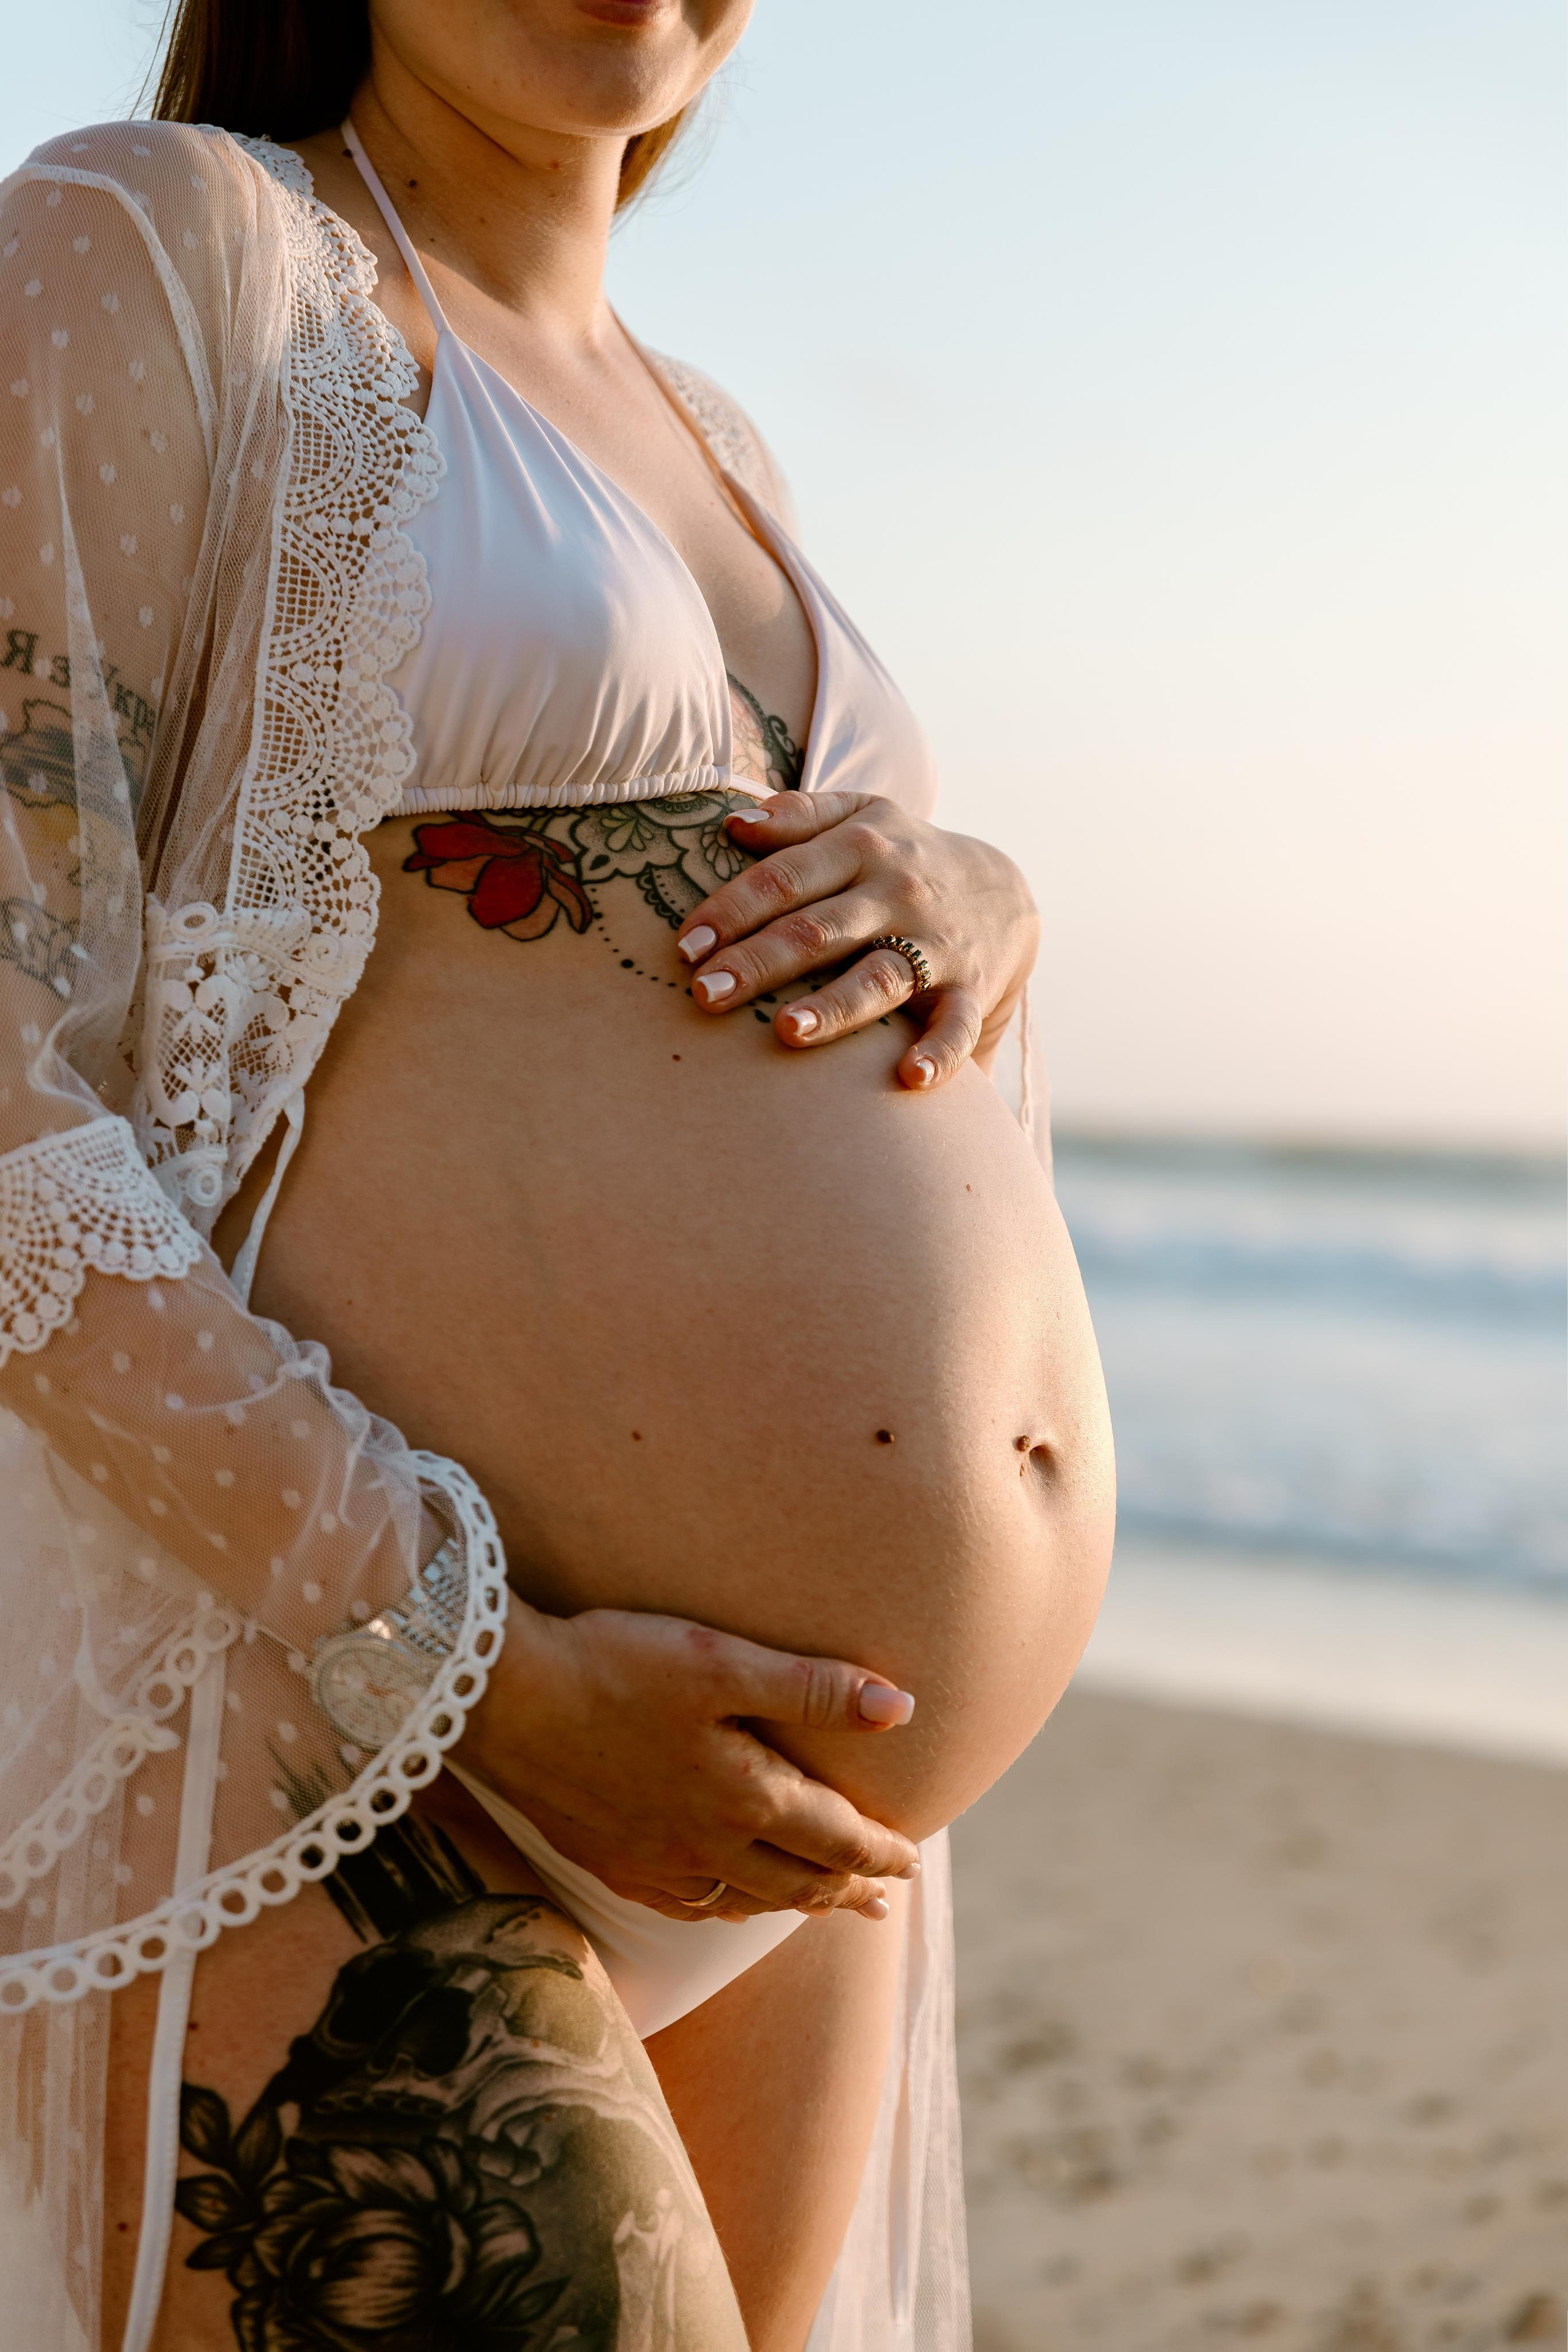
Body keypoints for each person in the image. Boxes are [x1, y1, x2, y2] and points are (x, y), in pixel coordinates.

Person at [0, 2, 1116, 2345]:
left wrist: (980, 896)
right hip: (335, 1723)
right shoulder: (166, 239)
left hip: (803, 1812)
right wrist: (451, 1657)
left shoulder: (719, 440)